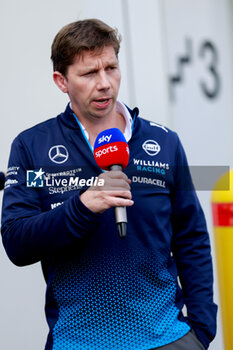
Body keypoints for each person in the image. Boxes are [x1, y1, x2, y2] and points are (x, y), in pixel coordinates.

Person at [1, 19, 217, 350]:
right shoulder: (32, 147)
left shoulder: (163, 142)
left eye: (111, 68)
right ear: (62, 81)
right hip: (78, 342)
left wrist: (201, 330)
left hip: (169, 339)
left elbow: (191, 237)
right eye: (89, 73)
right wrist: (82, 207)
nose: (105, 83)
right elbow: (17, 242)